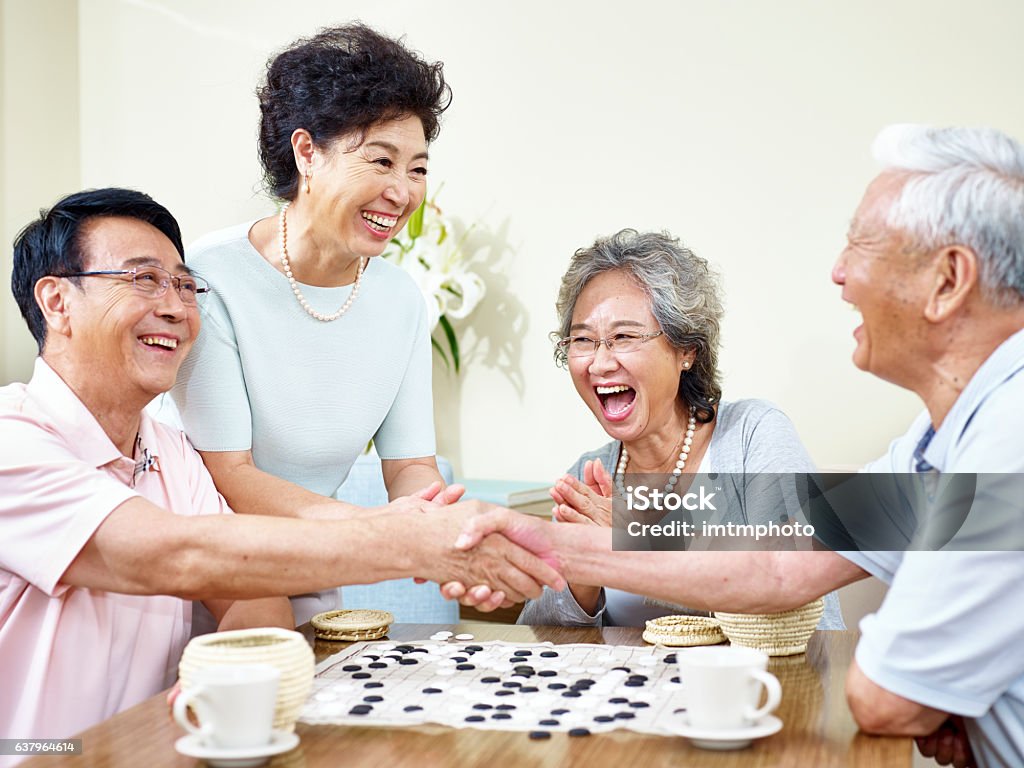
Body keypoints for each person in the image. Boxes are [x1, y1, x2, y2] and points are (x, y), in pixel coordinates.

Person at [456, 125, 1024, 768]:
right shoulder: (932, 444)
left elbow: (884, 698)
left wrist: (934, 702)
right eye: (584, 341)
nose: (838, 274)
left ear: (949, 279)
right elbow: (779, 567)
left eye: (863, 245)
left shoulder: (1009, 444)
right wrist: (539, 539)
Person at [0, 188, 564, 755]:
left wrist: (234, 679)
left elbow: (249, 596)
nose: (175, 306)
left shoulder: (168, 451)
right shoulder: (13, 439)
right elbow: (170, 555)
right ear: (57, 301)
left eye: (183, 284)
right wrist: (413, 541)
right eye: (144, 280)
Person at [166, 24, 461, 624]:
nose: (401, 191)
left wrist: (439, 525)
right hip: (205, 579)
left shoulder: (401, 299)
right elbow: (231, 475)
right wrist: (375, 531)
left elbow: (407, 466)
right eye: (380, 160)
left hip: (313, 575)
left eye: (418, 169)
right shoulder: (213, 276)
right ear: (307, 152)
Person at [518, 229, 843, 629]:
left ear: (686, 350)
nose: (599, 364)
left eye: (624, 336)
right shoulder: (589, 477)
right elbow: (536, 639)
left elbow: (805, 603)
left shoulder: (752, 436)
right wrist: (582, 580)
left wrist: (633, 550)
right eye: (583, 340)